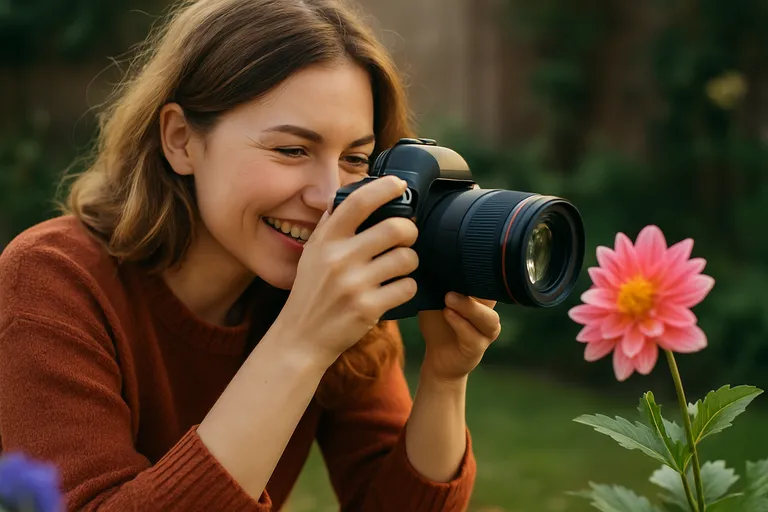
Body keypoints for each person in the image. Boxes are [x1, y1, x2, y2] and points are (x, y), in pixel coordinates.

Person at [0, 0, 502, 510]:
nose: (329, 196)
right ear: (181, 140)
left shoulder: (335, 281)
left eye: (355, 159)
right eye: (291, 150)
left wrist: (444, 377)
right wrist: (302, 340)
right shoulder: (50, 281)